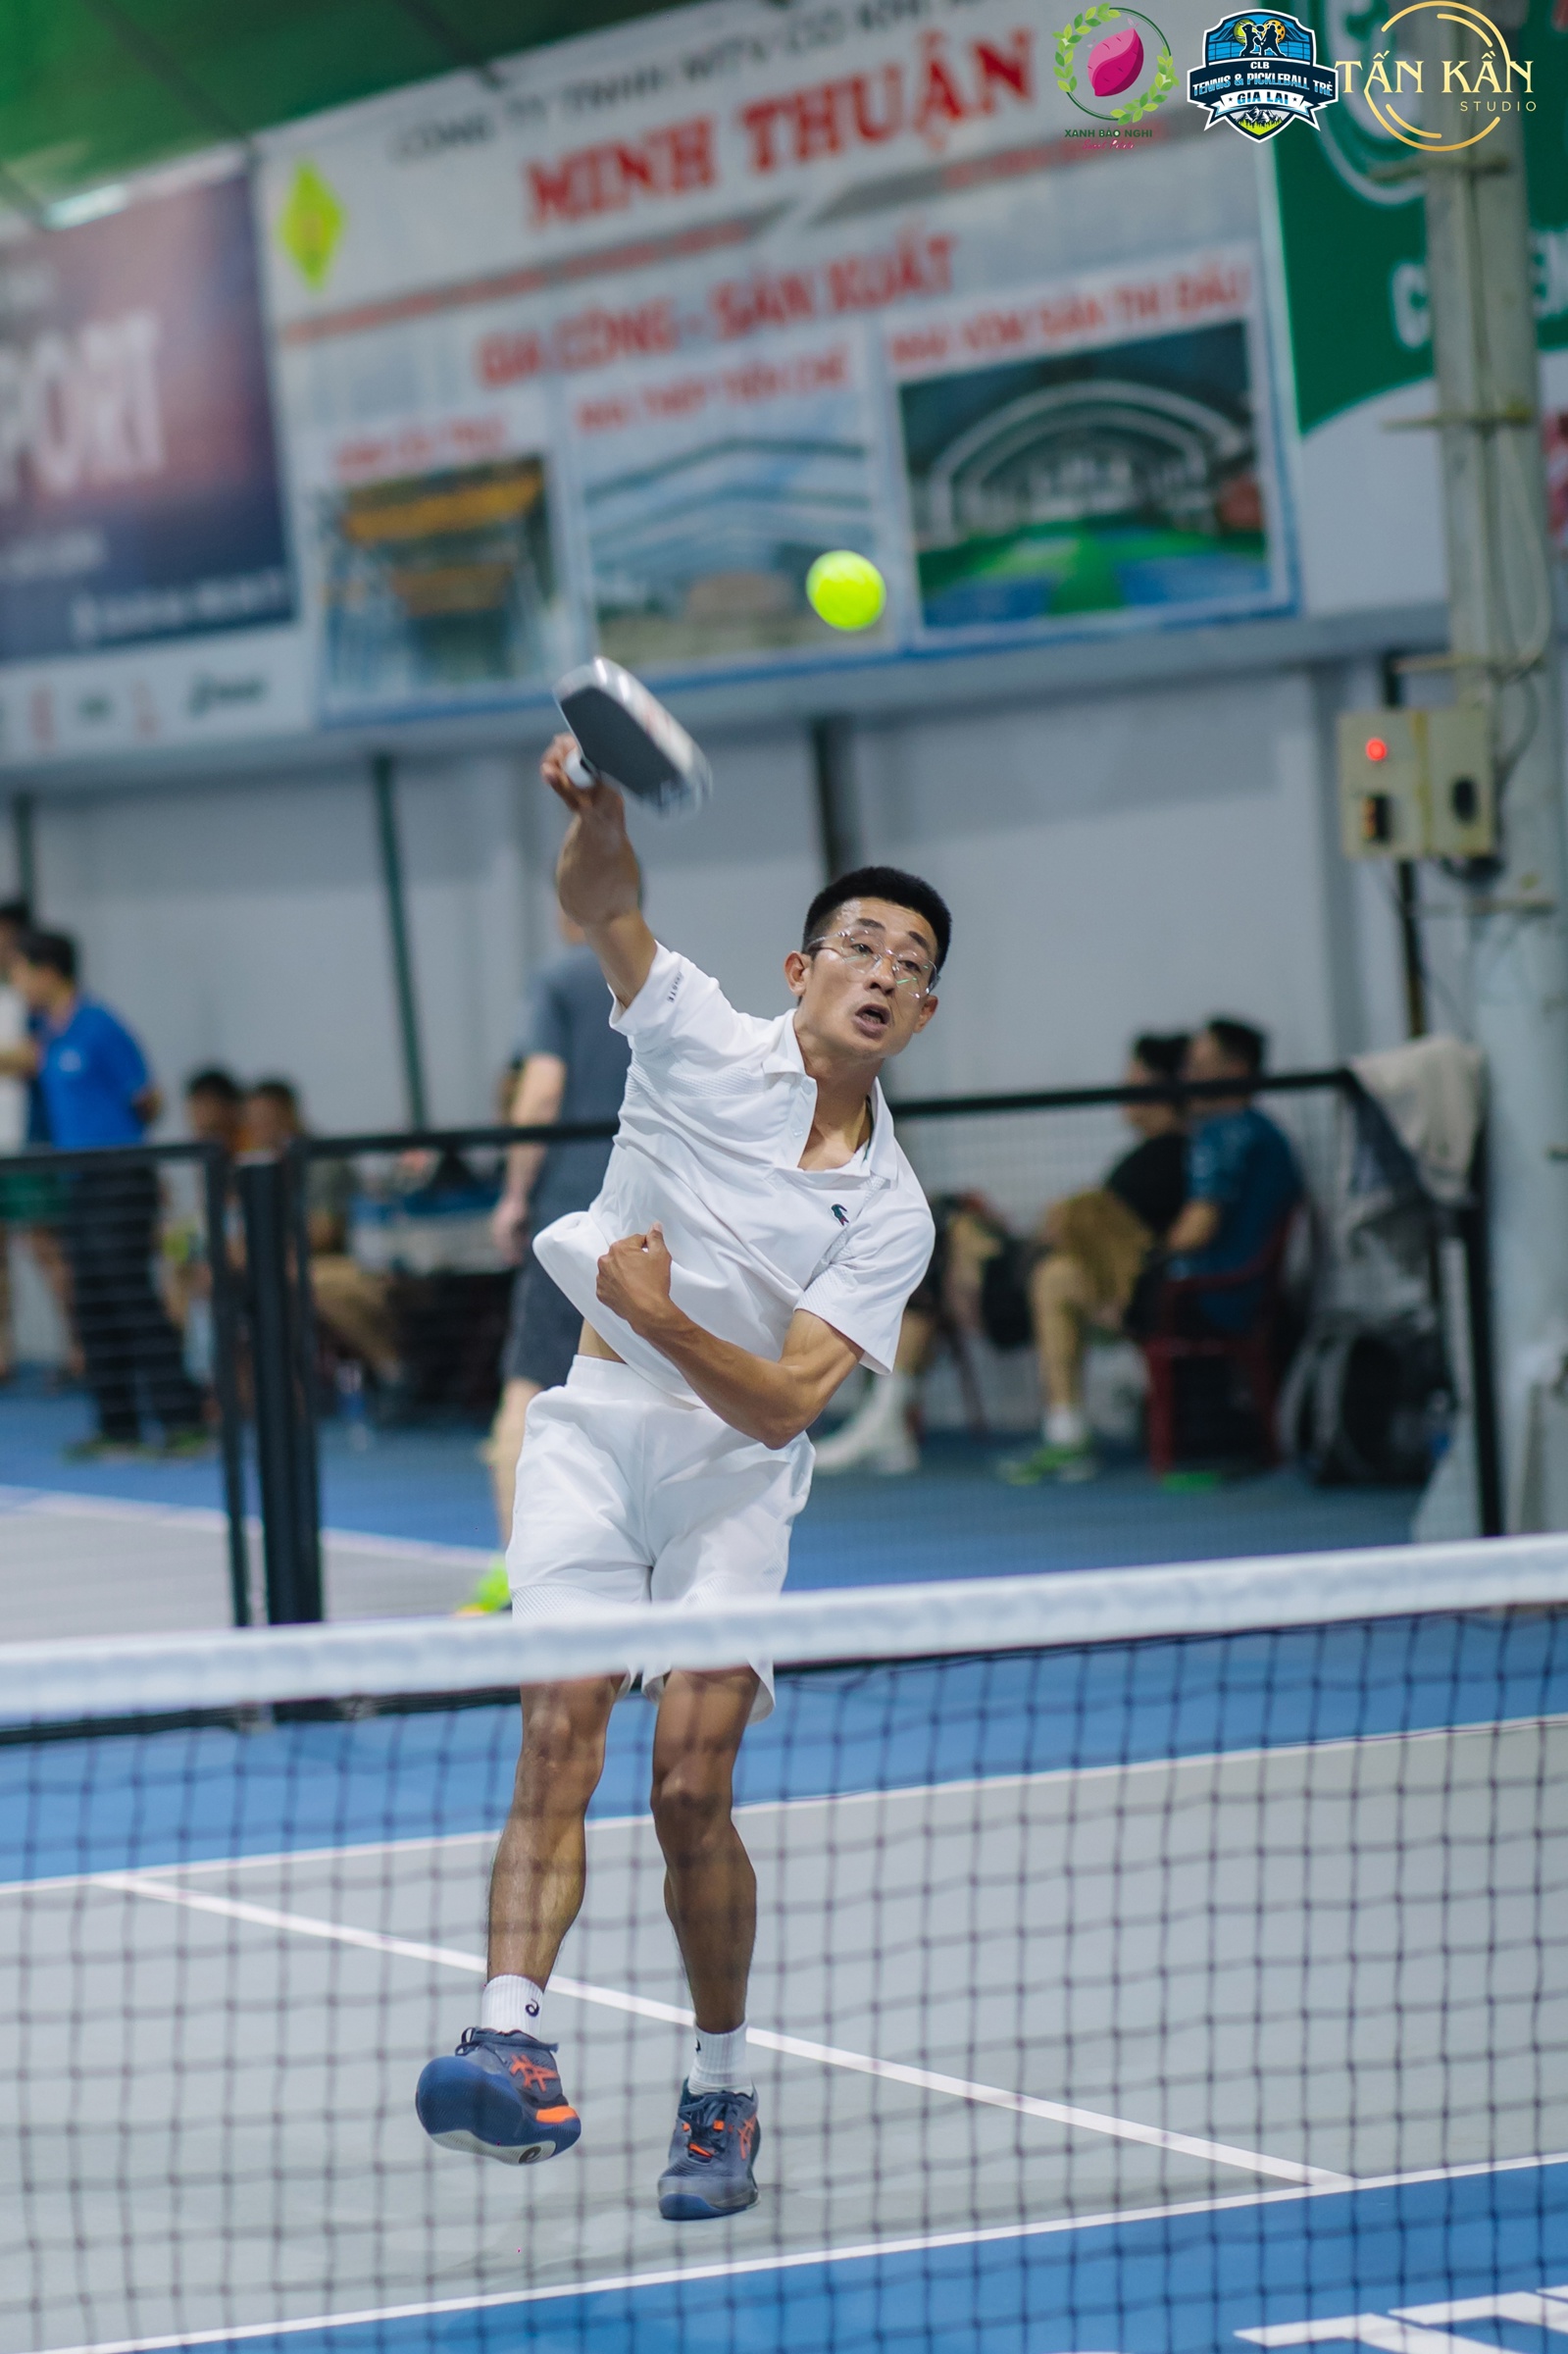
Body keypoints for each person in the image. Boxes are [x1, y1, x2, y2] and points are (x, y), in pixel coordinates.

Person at [415, 742, 946, 2225]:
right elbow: (606, 904)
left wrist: (655, 1312)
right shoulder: (698, 1031)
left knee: (689, 1786)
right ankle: (509, 2040)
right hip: (594, 1436)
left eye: (910, 965)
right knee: (557, 1733)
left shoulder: (889, 1214)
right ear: (801, 969)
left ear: (922, 1015)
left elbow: (782, 1409)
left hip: (728, 1478)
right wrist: (598, 818)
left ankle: (719, 2088)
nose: (882, 972)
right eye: (860, 945)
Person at [462, 912, 632, 1614]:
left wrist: (514, 1194)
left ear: (571, 907)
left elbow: (539, 1093)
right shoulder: (675, 979)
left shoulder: (560, 978)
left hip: (573, 1215)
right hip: (658, 1224)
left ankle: (520, 1576)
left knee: (527, 1395)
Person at [0, 929, 204, 1457]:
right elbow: (14, 1061)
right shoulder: (47, 1034)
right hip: (78, 1185)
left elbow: (147, 1099)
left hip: (120, 1181)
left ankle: (183, 1421)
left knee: (131, 1298)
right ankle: (119, 1427)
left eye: (19, 971)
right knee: (91, 1303)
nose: (15, 983)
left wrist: (119, 1143)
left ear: (48, 972)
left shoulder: (101, 1026)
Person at [1003, 1031, 1191, 1485]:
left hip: (1154, 1294)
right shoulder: (1142, 1159)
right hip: (1119, 1288)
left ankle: (1068, 1431)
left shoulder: (1182, 1156)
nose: (1123, 1091)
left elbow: (1173, 1238)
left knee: (1055, 1267)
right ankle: (1066, 1431)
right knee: (1050, 1273)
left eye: (1133, 1080)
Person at [242, 1077, 407, 1401]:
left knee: (310, 1281)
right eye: (254, 1121)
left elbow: (324, 1233)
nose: (260, 1129)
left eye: (267, 1119)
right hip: (294, 1266)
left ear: (289, 1113)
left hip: (355, 1264)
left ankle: (394, 1372)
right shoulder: (257, 1165)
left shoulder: (320, 1160)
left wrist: (265, 1253)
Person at [1162, 1017, 1302, 1324]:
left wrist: (1150, 1254)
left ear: (1236, 1069)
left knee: (1066, 1279)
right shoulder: (1265, 1131)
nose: (1185, 1077)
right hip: (1250, 1296)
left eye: (1198, 1066)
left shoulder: (1223, 1135)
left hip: (1215, 1297)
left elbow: (1198, 1228)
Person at [0, 898, 79, 1387]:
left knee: (47, 1249)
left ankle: (80, 1348)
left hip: (27, 1143)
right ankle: (3, 1354)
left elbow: (39, 1056)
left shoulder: (33, 1002)